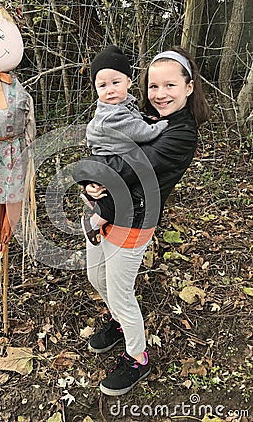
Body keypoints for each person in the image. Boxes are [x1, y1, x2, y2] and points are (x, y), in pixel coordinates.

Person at [72, 46, 210, 396]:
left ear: (188, 87)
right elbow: (103, 147)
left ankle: (138, 357)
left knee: (119, 292)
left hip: (134, 218)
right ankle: (119, 324)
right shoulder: (137, 116)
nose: (160, 94)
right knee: (95, 275)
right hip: (105, 211)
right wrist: (90, 175)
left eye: (170, 86)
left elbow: (133, 165)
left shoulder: (179, 133)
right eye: (154, 86)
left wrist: (85, 171)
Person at [80, 45, 168, 245]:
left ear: (128, 82)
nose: (110, 90)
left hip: (111, 152)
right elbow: (139, 132)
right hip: (108, 155)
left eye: (115, 83)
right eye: (102, 86)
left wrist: (147, 118)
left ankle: (95, 203)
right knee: (118, 195)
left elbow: (135, 120)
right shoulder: (112, 114)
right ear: (95, 88)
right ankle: (93, 222)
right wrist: (161, 126)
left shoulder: (123, 105)